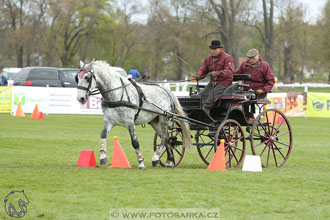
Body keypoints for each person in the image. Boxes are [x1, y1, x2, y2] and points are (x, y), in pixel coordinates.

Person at [195, 40, 234, 114]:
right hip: (212, 83)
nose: (213, 51)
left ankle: (206, 122)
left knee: (208, 102)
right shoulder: (208, 59)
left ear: (220, 49)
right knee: (199, 98)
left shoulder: (227, 58)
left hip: (224, 83)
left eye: (215, 49)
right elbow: (203, 69)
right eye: (212, 49)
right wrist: (199, 75)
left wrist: (217, 73)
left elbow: (229, 72)